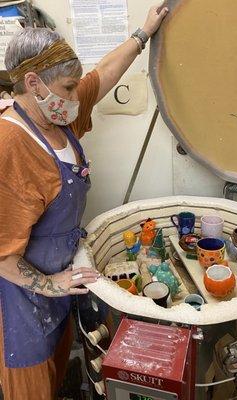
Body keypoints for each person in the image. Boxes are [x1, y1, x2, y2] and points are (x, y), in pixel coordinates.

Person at [0, 3, 168, 399]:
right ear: (33, 82)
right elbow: (2, 254)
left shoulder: (59, 117)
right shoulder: (11, 147)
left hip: (60, 284)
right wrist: (49, 283)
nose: (77, 96)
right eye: (68, 89)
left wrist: (143, 34)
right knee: (32, 383)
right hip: (20, 296)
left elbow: (102, 75)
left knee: (58, 363)